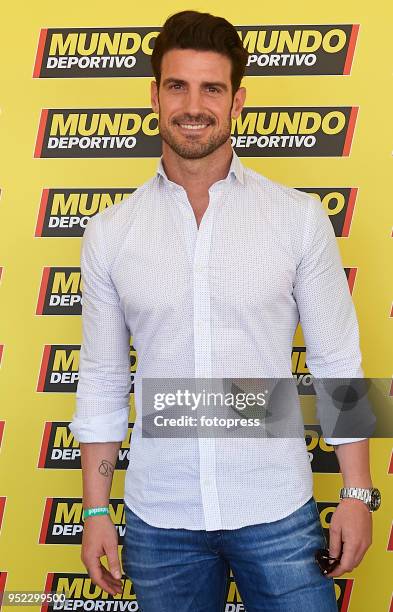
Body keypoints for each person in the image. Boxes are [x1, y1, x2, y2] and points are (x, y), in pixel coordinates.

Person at [69, 10, 380, 612]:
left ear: (238, 100)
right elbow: (102, 380)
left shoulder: (297, 219)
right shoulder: (110, 233)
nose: (193, 105)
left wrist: (358, 493)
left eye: (212, 88)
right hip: (161, 520)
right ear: (154, 95)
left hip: (276, 508)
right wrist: (95, 509)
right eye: (177, 85)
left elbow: (339, 361)